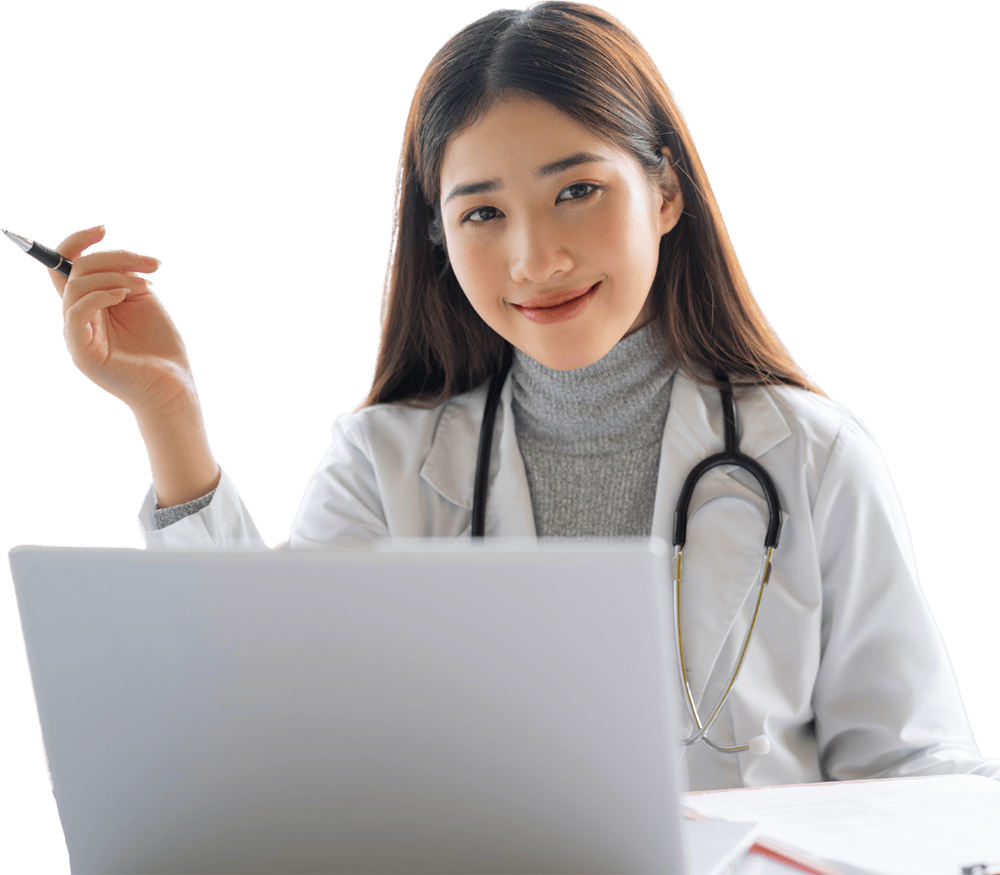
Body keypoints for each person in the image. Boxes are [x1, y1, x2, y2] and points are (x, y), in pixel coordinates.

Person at [49, 1, 997, 790]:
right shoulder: (384, 466)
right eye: (482, 213)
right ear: (439, 236)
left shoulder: (815, 453)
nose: (534, 258)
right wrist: (170, 415)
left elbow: (917, 766)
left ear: (665, 192)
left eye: (577, 191)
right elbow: (266, 734)